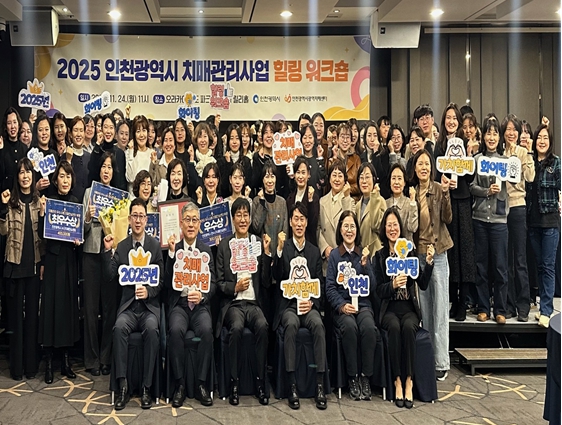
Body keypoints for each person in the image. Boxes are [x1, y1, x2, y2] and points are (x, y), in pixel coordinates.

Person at [102, 197, 164, 410]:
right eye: (134, 216)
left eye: (141, 216)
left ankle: (147, 387)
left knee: (152, 329)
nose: (138, 220)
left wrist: (149, 292)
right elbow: (109, 276)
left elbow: (161, 281)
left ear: (146, 220)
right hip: (128, 307)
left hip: (148, 308)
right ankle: (123, 386)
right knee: (119, 328)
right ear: (129, 219)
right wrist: (108, 251)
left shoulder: (155, 246)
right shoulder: (122, 246)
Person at [373, 207, 435, 409]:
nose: (392, 229)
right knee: (393, 327)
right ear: (384, 229)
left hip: (409, 308)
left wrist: (428, 263)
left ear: (400, 228)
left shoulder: (409, 252)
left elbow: (422, 283)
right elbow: (378, 291)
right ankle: (397, 381)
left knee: (408, 327)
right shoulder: (380, 256)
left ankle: (409, 380)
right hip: (389, 309)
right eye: (389, 225)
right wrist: (392, 285)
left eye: (395, 225)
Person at [216, 197, 272, 406]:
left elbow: (265, 281)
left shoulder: (256, 242)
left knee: (263, 326)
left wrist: (266, 254)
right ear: (233, 219)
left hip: (254, 303)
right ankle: (234, 382)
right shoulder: (225, 245)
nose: (242, 219)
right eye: (238, 215)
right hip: (234, 304)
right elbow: (219, 283)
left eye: (245, 215)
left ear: (250, 218)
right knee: (237, 328)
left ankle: (260, 382)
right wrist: (235, 287)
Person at [272, 202, 327, 410]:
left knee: (318, 325)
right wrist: (278, 251)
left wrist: (312, 302)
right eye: (295, 219)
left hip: (308, 305)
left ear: (306, 222)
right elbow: (276, 277)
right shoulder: (284, 247)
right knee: (291, 325)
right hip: (289, 306)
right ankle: (292, 384)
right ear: (290, 222)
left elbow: (319, 284)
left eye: (302, 219)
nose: (299, 223)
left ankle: (320, 384)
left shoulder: (313, 251)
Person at [166, 202, 216, 407]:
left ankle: (201, 383)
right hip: (180, 304)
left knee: (206, 330)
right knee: (175, 330)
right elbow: (166, 282)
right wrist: (171, 255)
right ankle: (180, 384)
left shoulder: (206, 250)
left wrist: (203, 296)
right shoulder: (175, 248)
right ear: (181, 223)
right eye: (187, 220)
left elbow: (213, 283)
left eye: (195, 220)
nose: (191, 224)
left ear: (199, 224)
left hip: (200, 306)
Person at [410, 149, 452, 380]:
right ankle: (428, 358)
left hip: (438, 252)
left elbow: (447, 218)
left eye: (427, 164)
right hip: (419, 254)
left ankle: (441, 361)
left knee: (440, 308)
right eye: (420, 164)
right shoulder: (412, 192)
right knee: (425, 308)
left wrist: (445, 194)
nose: (424, 167)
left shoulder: (438, 188)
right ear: (415, 168)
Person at [38, 161, 81, 384]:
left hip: (69, 261)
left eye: (68, 176)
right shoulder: (50, 201)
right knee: (50, 309)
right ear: (56, 180)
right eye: (62, 176)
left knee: (67, 310)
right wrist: (42, 213)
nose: (65, 180)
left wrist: (78, 240)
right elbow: (41, 234)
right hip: (53, 261)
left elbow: (80, 237)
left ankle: (65, 361)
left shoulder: (76, 202)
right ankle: (48, 363)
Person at [325, 211, 376, 401]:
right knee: (349, 327)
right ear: (340, 229)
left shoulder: (363, 254)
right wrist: (341, 305)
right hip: (343, 307)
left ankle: (365, 377)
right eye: (345, 226)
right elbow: (330, 288)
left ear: (357, 230)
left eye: (352, 226)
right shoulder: (334, 256)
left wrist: (366, 266)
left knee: (369, 327)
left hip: (362, 305)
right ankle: (352, 376)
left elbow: (372, 287)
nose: (349, 230)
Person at [0, 158, 42, 381]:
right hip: (14, 267)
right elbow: (3, 231)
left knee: (32, 319)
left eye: (28, 172)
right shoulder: (10, 201)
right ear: (17, 177)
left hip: (33, 268)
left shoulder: (38, 201)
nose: (25, 176)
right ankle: (16, 368)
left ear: (33, 176)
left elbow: (43, 236)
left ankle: (31, 366)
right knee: (16, 320)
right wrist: (2, 207)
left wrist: (44, 213)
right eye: (21, 172)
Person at [434, 103, 477, 322]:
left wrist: (469, 156)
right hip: (446, 203)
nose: (451, 121)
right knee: (450, 252)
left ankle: (463, 302)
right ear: (444, 121)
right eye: (448, 118)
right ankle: (451, 300)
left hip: (463, 202)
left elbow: (470, 177)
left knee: (465, 253)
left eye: (454, 118)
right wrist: (442, 180)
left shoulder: (465, 143)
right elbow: (435, 173)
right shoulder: (439, 145)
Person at [82, 152, 120, 376]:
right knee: (90, 309)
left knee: (109, 308)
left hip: (109, 255)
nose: (106, 170)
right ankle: (91, 359)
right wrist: (88, 216)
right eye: (104, 167)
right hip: (90, 254)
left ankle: (106, 357)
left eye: (110, 167)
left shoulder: (118, 197)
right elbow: (81, 229)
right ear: (99, 170)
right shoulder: (89, 193)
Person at [470, 118, 510, 325]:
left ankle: (500, 310)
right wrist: (487, 191)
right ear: (483, 136)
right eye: (488, 133)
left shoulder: (506, 161)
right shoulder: (477, 159)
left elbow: (517, 181)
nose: (491, 137)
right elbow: (471, 187)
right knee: (481, 267)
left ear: (499, 137)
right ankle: (484, 308)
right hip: (479, 219)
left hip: (499, 220)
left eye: (495, 133)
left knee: (501, 267)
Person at [501, 114, 535, 322]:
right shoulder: (498, 153)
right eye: (508, 129)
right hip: (501, 209)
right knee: (506, 261)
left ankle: (524, 305)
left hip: (518, 206)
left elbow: (530, 177)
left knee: (520, 260)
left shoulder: (523, 152)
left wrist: (526, 152)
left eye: (514, 130)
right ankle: (509, 305)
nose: (511, 133)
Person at [527, 123, 560, 328]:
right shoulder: (529, 161)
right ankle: (542, 308)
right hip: (532, 222)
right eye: (539, 137)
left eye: (545, 137)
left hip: (550, 223)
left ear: (550, 141)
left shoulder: (555, 162)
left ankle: (546, 310)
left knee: (548, 267)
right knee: (539, 266)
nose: (542, 141)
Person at [318, 160, 355, 273]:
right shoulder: (322, 201)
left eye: (340, 176)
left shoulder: (350, 201)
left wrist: (346, 197)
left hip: (345, 259)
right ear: (329, 179)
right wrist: (325, 247)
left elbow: (350, 224)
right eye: (334, 175)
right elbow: (318, 228)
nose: (337, 179)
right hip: (327, 259)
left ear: (345, 180)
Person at [286, 156, 319, 246]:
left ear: (308, 175)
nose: (300, 176)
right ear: (294, 175)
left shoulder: (314, 197)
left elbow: (313, 224)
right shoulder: (290, 199)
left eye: (303, 173)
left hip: (309, 244)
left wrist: (310, 201)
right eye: (298, 172)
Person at [88, 114, 127, 191]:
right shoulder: (97, 150)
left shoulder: (120, 153)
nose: (108, 131)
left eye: (111, 127)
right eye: (105, 127)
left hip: (114, 194)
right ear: (101, 129)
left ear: (115, 130)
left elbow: (121, 182)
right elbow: (91, 171)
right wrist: (97, 144)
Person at [355, 163, 386, 255]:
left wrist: (374, 197)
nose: (364, 181)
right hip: (361, 254)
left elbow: (376, 226)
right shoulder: (358, 205)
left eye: (367, 177)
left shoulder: (380, 200)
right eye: (361, 178)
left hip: (375, 253)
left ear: (374, 179)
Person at [217, 124, 253, 198]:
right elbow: (223, 187)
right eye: (231, 138)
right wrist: (228, 164)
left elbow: (248, 185)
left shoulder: (246, 161)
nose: (234, 142)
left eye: (237, 138)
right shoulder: (221, 161)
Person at [386, 163, 418, 243]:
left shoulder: (410, 203)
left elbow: (413, 228)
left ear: (404, 182)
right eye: (393, 178)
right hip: (390, 248)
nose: (396, 182)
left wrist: (412, 202)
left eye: (399, 178)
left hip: (407, 247)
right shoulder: (385, 203)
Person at [331, 123, 361, 201]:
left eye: (347, 137)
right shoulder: (332, 158)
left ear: (351, 140)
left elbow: (360, 184)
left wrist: (348, 189)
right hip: (336, 200)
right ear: (337, 139)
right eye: (342, 137)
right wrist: (334, 159)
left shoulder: (356, 159)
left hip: (353, 200)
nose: (345, 140)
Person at [1, 107, 28, 191]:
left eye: (15, 122)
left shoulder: (24, 148)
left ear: (19, 124)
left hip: (20, 193)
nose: (12, 126)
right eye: (9, 123)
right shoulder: (2, 146)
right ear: (6, 127)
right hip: (5, 193)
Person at [126, 115, 154, 195]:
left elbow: (153, 181)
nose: (141, 135)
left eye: (144, 130)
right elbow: (131, 178)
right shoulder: (129, 152)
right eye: (138, 131)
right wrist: (131, 152)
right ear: (134, 134)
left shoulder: (152, 153)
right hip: (133, 198)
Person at [67, 116, 91, 202]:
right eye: (75, 130)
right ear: (70, 133)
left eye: (81, 130)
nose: (78, 134)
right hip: (71, 203)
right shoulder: (65, 156)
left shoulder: (89, 157)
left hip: (87, 204)